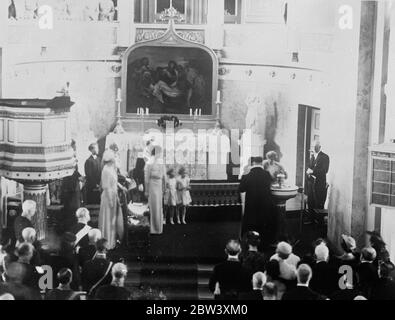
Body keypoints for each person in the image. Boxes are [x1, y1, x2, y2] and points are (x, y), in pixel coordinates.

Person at [239, 157, 277, 248]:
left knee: (252, 223)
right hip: (265, 205)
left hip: (252, 205)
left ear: (253, 163)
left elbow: (241, 189)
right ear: (261, 163)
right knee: (265, 222)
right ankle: (265, 242)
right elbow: (272, 183)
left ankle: (250, 242)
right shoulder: (267, 174)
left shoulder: (246, 175)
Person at [99, 150, 124, 250]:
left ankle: (112, 240)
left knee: (112, 220)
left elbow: (114, 182)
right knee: (108, 220)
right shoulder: (105, 170)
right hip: (107, 198)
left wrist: (120, 187)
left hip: (113, 195)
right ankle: (107, 242)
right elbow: (106, 186)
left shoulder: (111, 168)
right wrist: (110, 200)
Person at [144, 146, 166, 235]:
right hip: (152, 185)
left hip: (159, 185)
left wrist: (164, 188)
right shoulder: (149, 162)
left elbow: (164, 176)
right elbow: (146, 178)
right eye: (160, 152)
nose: (161, 154)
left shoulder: (161, 162)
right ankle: (153, 228)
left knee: (159, 206)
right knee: (153, 206)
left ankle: (158, 228)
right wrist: (146, 190)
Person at [306, 141, 330, 210]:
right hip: (311, 184)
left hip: (319, 185)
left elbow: (325, 170)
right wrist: (307, 172)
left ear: (319, 147)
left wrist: (313, 171)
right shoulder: (312, 157)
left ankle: (319, 220)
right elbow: (309, 167)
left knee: (318, 205)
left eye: (315, 147)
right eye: (312, 147)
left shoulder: (325, 157)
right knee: (310, 204)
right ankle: (311, 220)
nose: (313, 148)